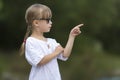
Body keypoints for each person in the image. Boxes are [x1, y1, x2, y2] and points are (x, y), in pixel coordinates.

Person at [19, 3, 83, 80]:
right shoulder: (31, 42)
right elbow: (40, 61)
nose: (51, 22)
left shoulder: (52, 41)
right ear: (36, 23)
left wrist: (72, 36)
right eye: (48, 20)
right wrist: (55, 53)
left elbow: (65, 55)